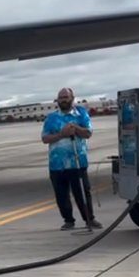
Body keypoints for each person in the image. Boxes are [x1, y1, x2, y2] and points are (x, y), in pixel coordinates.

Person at [41, 87, 102, 230]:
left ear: (72, 98)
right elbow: (45, 138)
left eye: (65, 97)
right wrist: (61, 134)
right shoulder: (51, 118)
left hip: (77, 161)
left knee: (82, 192)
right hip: (57, 164)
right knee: (61, 194)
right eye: (60, 98)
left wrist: (75, 128)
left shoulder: (81, 114)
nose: (63, 100)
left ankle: (89, 218)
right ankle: (68, 220)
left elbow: (88, 133)